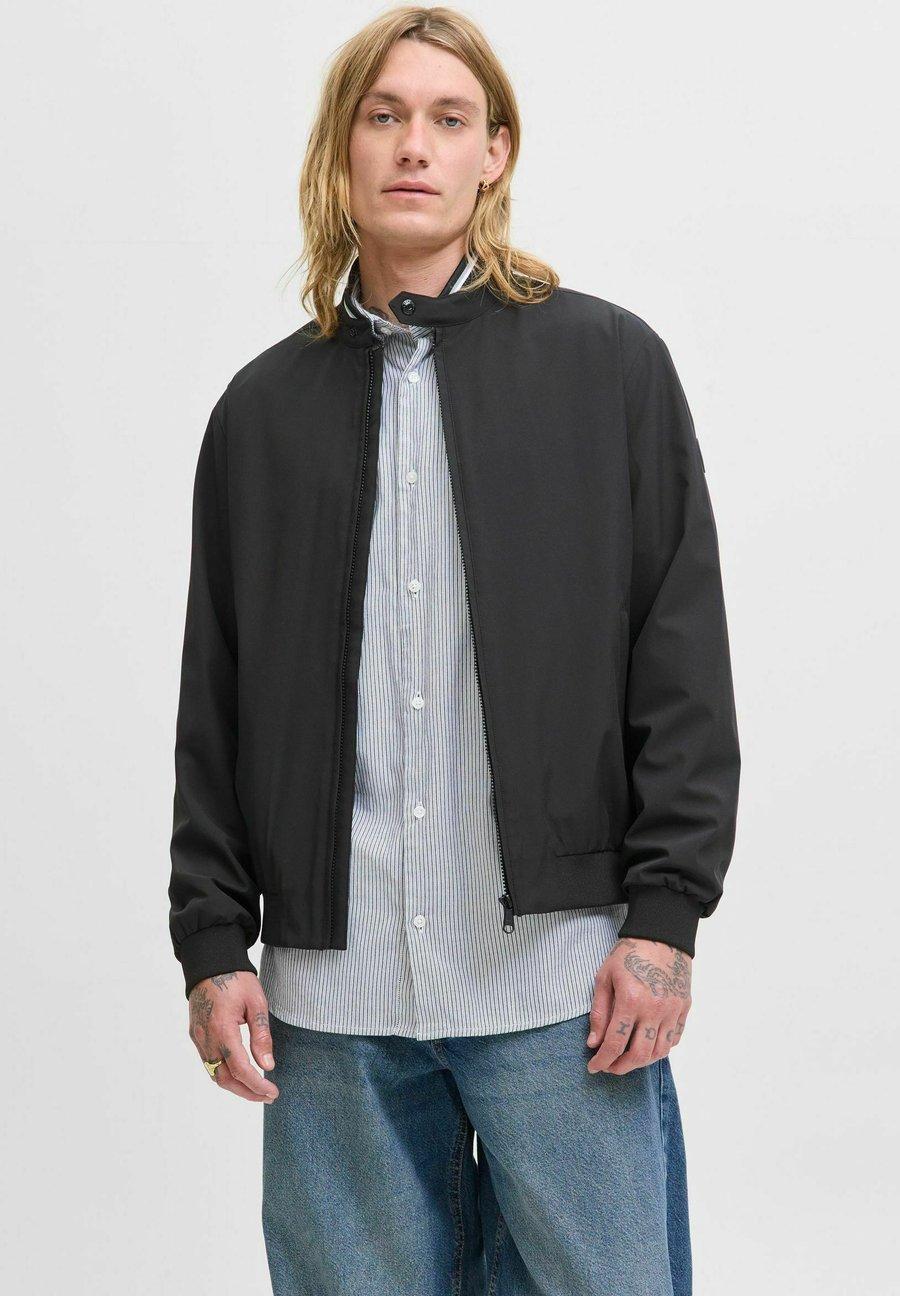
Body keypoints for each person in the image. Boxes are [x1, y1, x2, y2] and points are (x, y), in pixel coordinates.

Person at [168, 7, 740, 1294]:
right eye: (384, 116)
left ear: (496, 151)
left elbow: (680, 657)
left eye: (447, 118)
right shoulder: (262, 413)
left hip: (559, 988)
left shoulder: (609, 367)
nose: (414, 146)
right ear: (343, 148)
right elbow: (218, 699)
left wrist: (665, 919)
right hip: (335, 1001)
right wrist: (212, 944)